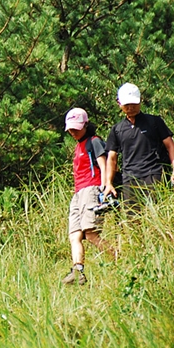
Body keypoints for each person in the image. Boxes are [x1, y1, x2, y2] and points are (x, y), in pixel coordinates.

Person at [62, 107, 117, 285]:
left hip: (92, 189)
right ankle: (78, 270)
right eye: (70, 129)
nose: (73, 132)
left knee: (91, 234)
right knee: (74, 235)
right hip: (78, 193)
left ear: (86, 125)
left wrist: (105, 188)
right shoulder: (78, 146)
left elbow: (104, 165)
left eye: (76, 128)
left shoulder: (94, 141)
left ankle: (118, 257)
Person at [104, 83, 174, 209]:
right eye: (127, 104)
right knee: (133, 220)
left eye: (134, 104)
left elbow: (170, 146)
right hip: (129, 179)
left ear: (140, 101)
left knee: (156, 212)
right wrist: (108, 183)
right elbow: (111, 158)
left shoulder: (154, 122)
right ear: (119, 103)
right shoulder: (117, 130)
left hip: (154, 175)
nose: (130, 108)